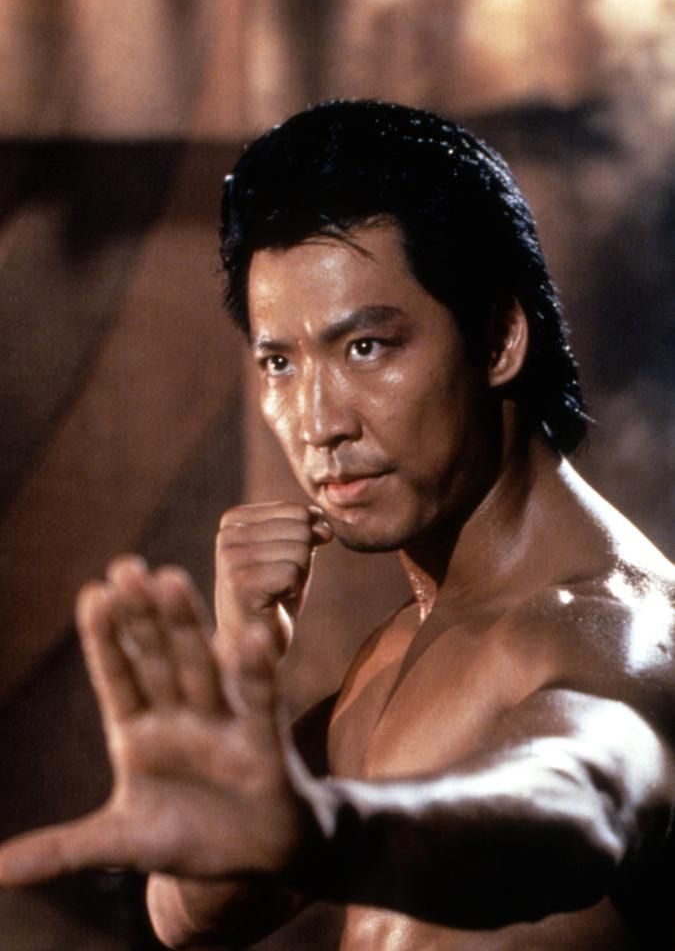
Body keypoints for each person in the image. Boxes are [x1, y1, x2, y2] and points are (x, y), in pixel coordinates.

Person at [0, 99, 673, 950]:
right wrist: (242, 665)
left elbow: (581, 803)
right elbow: (193, 916)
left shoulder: (618, 637)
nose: (319, 423)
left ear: (501, 338)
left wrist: (328, 832)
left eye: (365, 348)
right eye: (280, 362)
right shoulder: (396, 654)